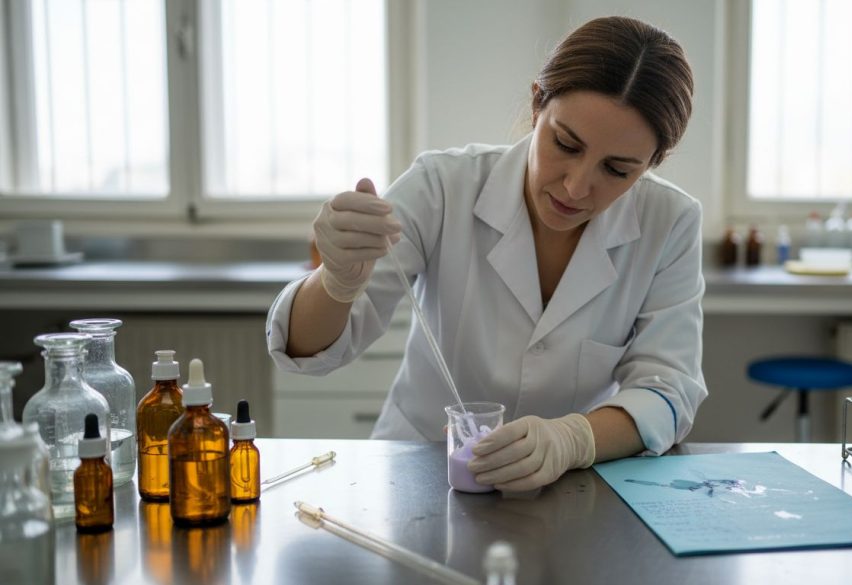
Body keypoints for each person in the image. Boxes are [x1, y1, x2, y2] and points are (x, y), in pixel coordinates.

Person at [267, 16, 706, 492]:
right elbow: (309, 351)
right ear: (538, 103)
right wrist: (335, 282)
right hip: (423, 472)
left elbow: (669, 390)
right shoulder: (443, 186)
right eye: (565, 144)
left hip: (567, 484)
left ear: (652, 162)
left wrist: (572, 439)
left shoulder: (671, 222)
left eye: (618, 170)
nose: (577, 186)